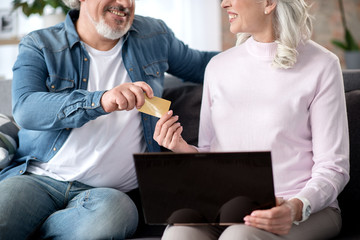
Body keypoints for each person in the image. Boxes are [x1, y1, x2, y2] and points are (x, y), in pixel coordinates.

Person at [0, 0, 217, 239]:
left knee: (115, 214)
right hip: (38, 179)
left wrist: (260, 43)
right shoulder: (40, 43)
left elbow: (207, 66)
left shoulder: (155, 36)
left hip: (108, 195)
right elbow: (26, 109)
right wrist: (100, 101)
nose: (124, 3)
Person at [154, 0, 350, 239]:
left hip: (301, 209)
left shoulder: (322, 65)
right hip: (226, 206)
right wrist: (182, 149)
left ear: (268, 3)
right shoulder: (218, 67)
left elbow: (333, 168)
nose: (224, 4)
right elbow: (208, 154)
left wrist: (295, 208)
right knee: (177, 235)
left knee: (238, 236)